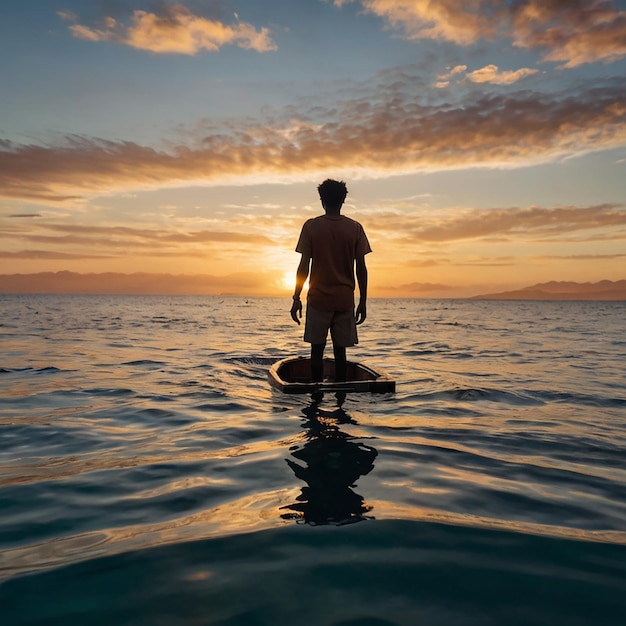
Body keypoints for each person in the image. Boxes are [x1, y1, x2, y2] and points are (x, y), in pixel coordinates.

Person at [290, 179, 372, 383]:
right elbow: (360, 268)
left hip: (318, 299)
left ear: (321, 200)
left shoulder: (311, 226)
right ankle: (341, 397)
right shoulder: (355, 228)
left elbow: (303, 266)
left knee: (316, 351)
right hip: (344, 300)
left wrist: (296, 297)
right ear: (343, 200)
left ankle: (316, 393)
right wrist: (363, 301)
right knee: (341, 353)